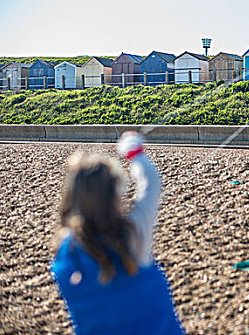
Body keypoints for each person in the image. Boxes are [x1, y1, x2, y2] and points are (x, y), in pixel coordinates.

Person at [51, 131, 184, 335]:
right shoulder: (132, 235)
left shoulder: (65, 252)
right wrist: (135, 154)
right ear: (114, 194)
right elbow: (150, 186)